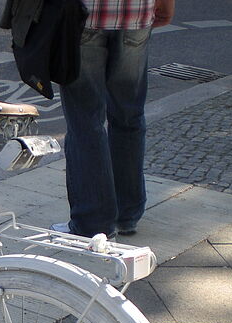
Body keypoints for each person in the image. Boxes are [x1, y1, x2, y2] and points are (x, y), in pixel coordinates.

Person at [51, 0, 176, 239]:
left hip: (82, 14)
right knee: (128, 115)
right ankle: (126, 215)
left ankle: (93, 222)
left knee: (85, 121)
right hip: (136, 13)